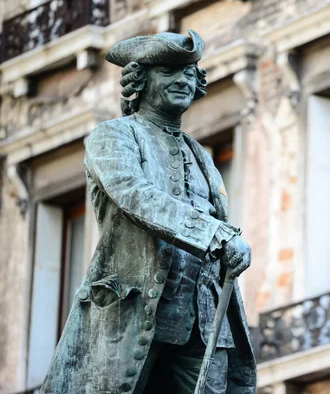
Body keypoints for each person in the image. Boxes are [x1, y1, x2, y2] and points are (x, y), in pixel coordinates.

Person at [40, 30, 256, 394]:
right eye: (170, 71)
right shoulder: (113, 136)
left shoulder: (202, 155)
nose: (184, 80)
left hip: (204, 321)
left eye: (190, 73)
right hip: (133, 313)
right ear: (140, 78)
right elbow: (135, 194)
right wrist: (217, 236)